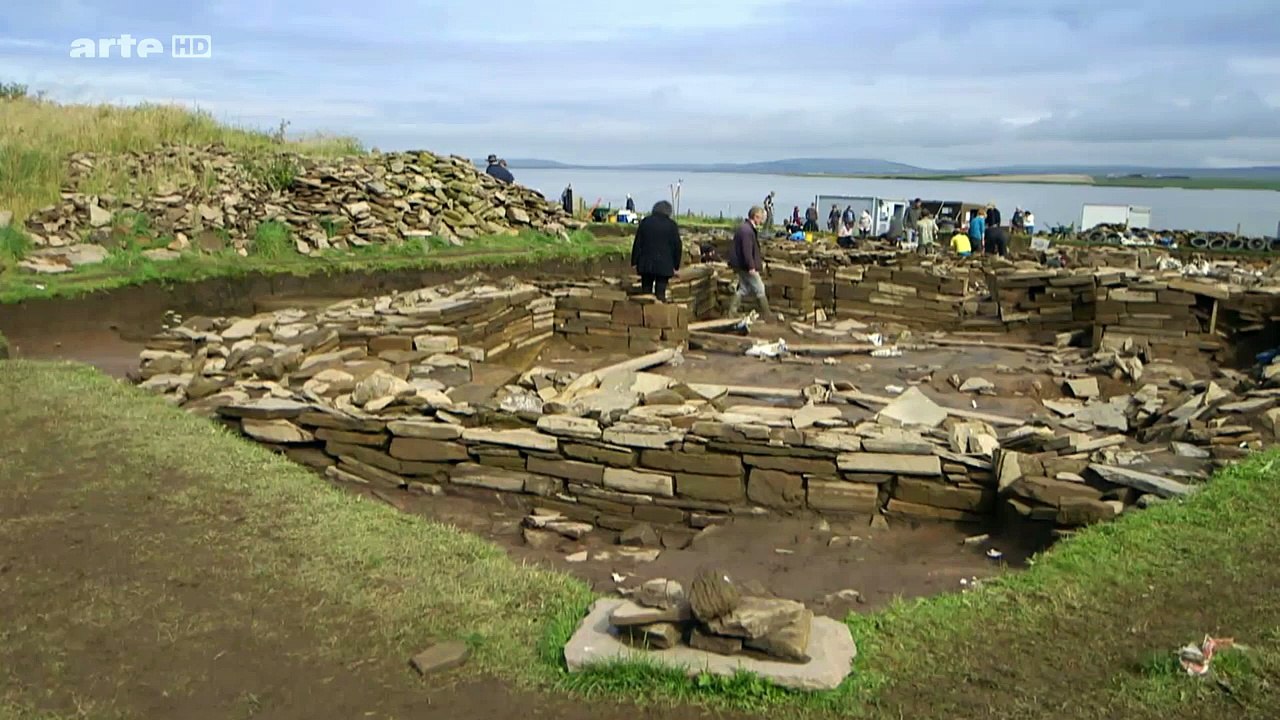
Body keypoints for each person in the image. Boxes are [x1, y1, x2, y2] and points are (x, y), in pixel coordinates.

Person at [630, 200, 682, 302]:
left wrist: (634, 261)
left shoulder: (645, 222)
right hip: (664, 264)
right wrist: (676, 265)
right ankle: (659, 313)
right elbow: (677, 246)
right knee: (660, 292)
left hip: (646, 263)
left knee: (646, 290)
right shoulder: (672, 225)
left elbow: (638, 243)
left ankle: (644, 312)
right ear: (668, 211)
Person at [725, 205, 770, 318]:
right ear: (755, 216)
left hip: (742, 265)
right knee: (760, 288)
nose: (762, 221)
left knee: (744, 289)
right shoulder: (747, 231)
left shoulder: (746, 228)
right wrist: (751, 266)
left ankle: (731, 312)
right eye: (761, 218)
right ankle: (767, 314)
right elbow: (747, 250)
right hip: (746, 266)